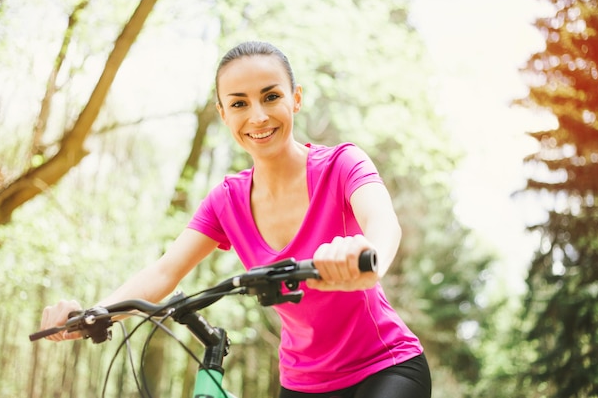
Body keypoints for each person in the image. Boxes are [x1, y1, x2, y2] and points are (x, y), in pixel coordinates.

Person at [39, 41, 432, 398]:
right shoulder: (226, 201)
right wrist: (92, 313)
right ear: (223, 113)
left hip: (385, 368)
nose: (258, 116)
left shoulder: (341, 165)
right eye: (240, 103)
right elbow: (164, 272)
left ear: (295, 99)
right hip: (302, 383)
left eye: (271, 96)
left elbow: (384, 222)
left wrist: (367, 257)